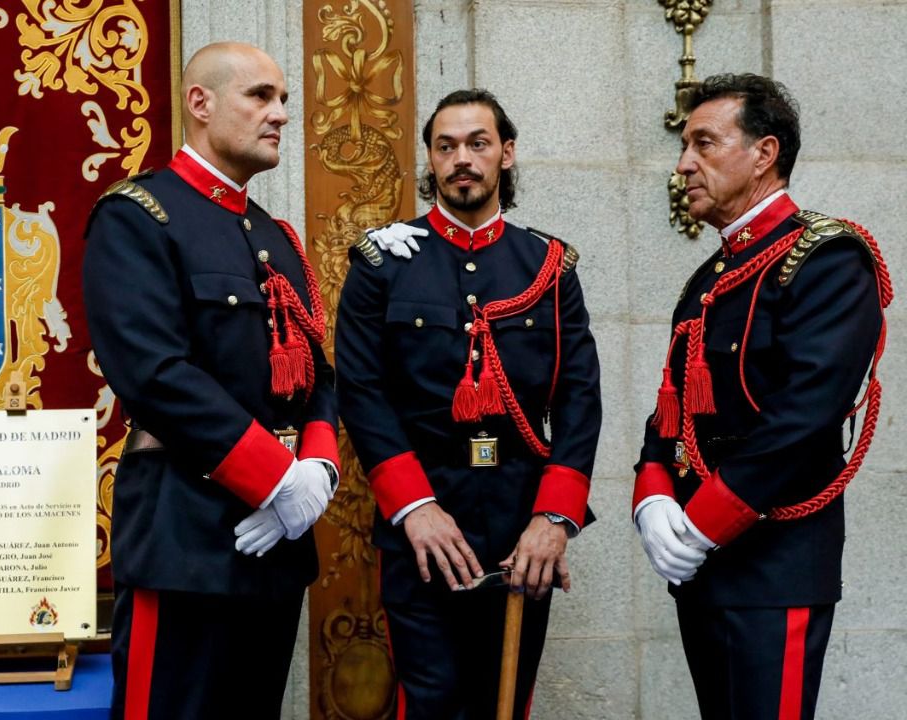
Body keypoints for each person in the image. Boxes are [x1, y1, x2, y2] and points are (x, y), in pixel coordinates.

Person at [82, 42, 339, 720]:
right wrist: (275, 477)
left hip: (277, 544)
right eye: (260, 96)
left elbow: (316, 372)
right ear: (200, 103)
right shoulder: (139, 216)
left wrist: (316, 473)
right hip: (185, 539)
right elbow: (154, 374)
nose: (280, 113)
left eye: (284, 98)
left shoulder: (274, 236)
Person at [335, 88, 602, 719]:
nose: (462, 158)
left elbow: (579, 396)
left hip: (522, 529)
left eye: (478, 144)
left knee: (506, 703)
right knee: (431, 704)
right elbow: (362, 391)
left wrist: (554, 520)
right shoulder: (383, 264)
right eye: (446, 146)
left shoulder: (548, 265)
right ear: (429, 160)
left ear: (506, 154)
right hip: (424, 529)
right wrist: (414, 508)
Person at [631, 73, 891, 719]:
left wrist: (701, 524)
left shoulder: (826, 258)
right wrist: (653, 491)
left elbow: (805, 415)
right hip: (705, 567)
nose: (683, 163)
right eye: (685, 146)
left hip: (774, 562)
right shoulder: (712, 275)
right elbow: (674, 403)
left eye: (704, 143)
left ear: (764, 154)